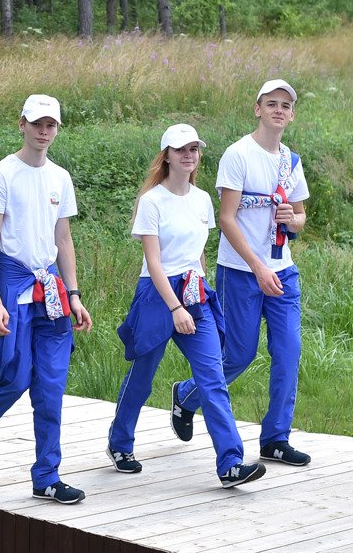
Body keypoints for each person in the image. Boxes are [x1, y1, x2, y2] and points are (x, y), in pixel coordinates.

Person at [0, 95, 94, 505]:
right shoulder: (1, 174)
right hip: (12, 286)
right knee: (13, 379)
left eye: (51, 125)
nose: (44, 132)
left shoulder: (60, 178)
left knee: (50, 385)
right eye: (37, 124)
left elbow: (63, 239)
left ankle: (47, 475)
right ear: (21, 125)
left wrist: (75, 294)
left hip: (51, 292)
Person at [108, 124, 267, 488]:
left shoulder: (202, 200)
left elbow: (198, 255)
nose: (189, 155)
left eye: (194, 149)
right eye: (181, 149)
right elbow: (154, 262)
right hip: (158, 293)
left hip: (195, 292)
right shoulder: (152, 202)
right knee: (143, 377)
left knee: (213, 377)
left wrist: (195, 294)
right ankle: (119, 442)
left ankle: (230, 462)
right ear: (166, 155)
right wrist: (175, 308)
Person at [171, 79, 311, 467]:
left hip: (283, 271)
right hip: (241, 272)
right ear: (257, 109)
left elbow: (300, 217)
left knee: (288, 352)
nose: (279, 110)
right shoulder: (239, 154)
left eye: (286, 105)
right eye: (271, 104)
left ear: (292, 114)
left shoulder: (291, 162)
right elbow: (227, 219)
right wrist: (257, 267)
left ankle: (276, 438)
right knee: (238, 353)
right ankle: (186, 396)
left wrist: (292, 219)